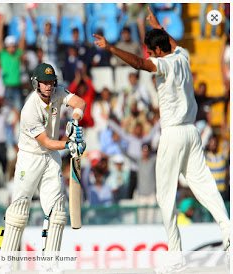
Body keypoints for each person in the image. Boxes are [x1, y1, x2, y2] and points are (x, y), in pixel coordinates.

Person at [93, 6, 230, 273]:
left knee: (166, 195)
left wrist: (110, 48)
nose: (149, 55)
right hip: (192, 132)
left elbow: (139, 63)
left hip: (174, 134)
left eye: (150, 50)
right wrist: (158, 27)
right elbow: (173, 45)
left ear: (156, 52)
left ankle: (175, 257)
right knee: (204, 185)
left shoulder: (163, 63)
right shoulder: (182, 55)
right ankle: (229, 232)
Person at [0, 63, 86, 273]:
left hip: (51, 157)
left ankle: (50, 264)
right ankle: (6, 265)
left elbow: (79, 102)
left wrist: (74, 119)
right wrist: (69, 144)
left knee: (57, 212)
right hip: (30, 158)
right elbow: (46, 141)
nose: (48, 86)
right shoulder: (30, 109)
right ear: (36, 84)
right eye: (44, 83)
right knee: (19, 211)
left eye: (51, 82)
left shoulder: (58, 92)